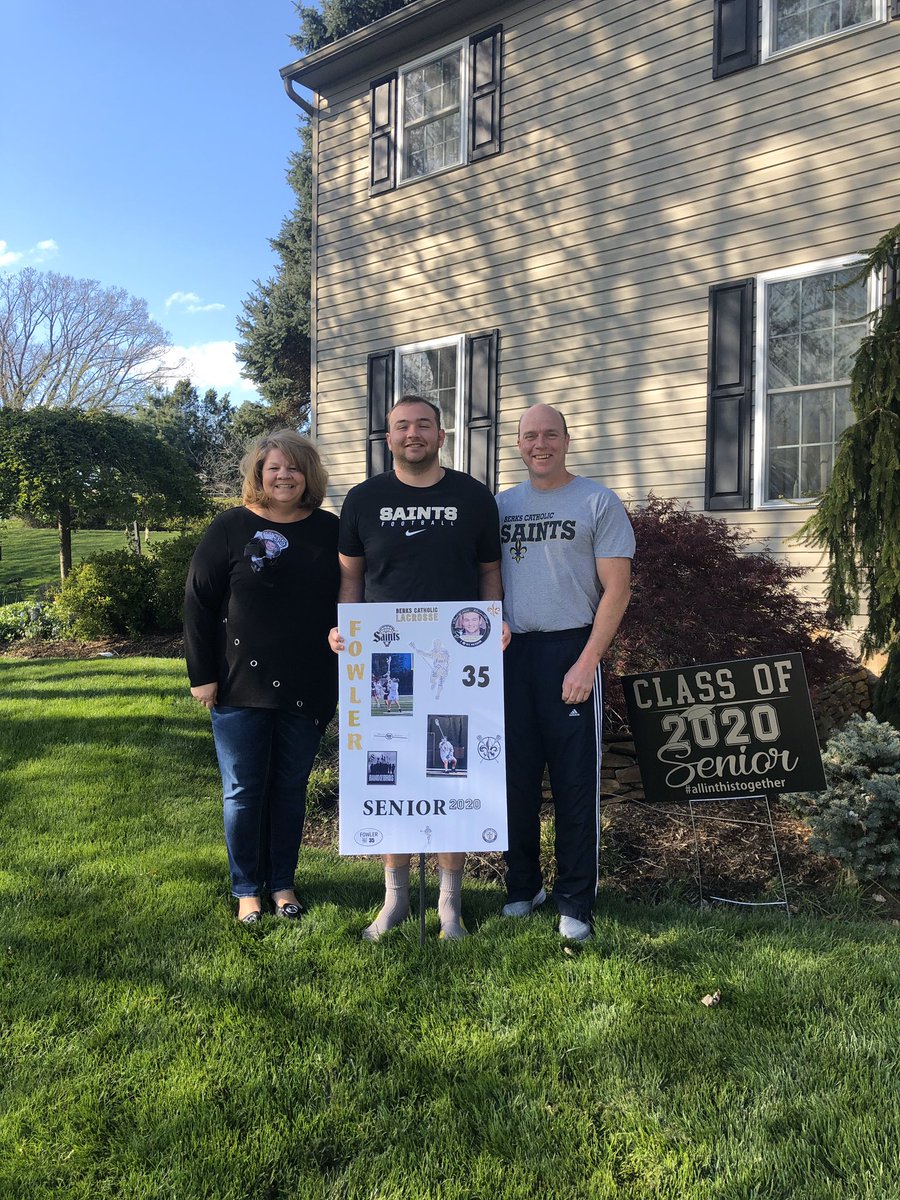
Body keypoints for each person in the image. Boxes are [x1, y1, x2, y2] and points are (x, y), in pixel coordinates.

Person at [329, 394, 504, 941]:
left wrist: (495, 621)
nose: (413, 434)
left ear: (440, 435)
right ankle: (395, 900)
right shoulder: (363, 499)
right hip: (386, 659)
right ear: (389, 438)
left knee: (449, 772)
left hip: (455, 659)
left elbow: (489, 570)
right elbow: (351, 579)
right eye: (402, 426)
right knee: (392, 768)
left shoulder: (474, 496)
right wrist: (347, 630)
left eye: (423, 425)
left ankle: (449, 904)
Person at [184, 430, 339, 924]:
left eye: (294, 467)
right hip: (237, 682)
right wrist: (202, 676)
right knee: (243, 790)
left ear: (308, 475)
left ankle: (283, 885)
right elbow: (198, 603)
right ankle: (247, 888)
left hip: (310, 681)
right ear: (259, 473)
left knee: (290, 787)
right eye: (274, 467)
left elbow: (353, 595)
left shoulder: (330, 530)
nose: (284, 476)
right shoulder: (230, 527)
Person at [497, 404, 634, 941]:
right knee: (515, 780)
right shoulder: (500, 505)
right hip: (509, 654)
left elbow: (617, 591)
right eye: (529, 436)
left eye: (549, 434)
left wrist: (586, 662)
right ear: (517, 444)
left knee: (576, 784)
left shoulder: (597, 501)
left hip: (570, 651)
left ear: (567, 440)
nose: (540, 444)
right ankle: (522, 885)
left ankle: (575, 899)